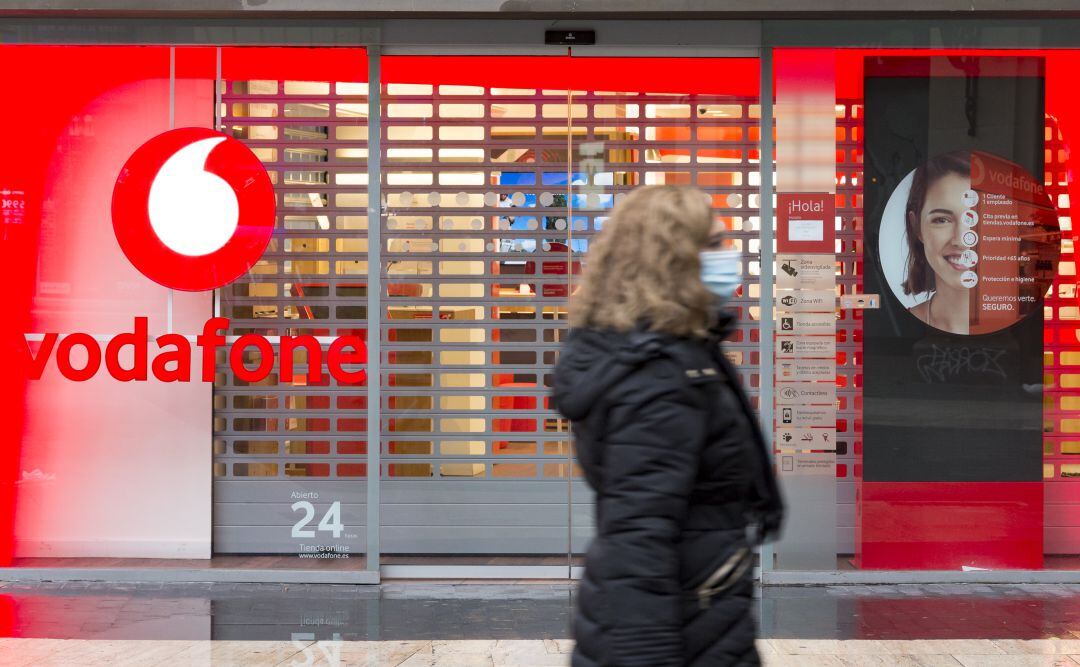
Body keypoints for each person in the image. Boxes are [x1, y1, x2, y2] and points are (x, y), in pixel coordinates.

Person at [553, 185, 784, 666]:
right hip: (685, 619)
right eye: (718, 242)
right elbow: (637, 536)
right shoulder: (659, 379)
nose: (731, 253)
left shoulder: (678, 350)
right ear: (676, 257)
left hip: (703, 611)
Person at [902, 151, 974, 334]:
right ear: (916, 226)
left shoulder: (1025, 328)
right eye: (942, 220)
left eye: (974, 219)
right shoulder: (899, 328)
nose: (960, 240)